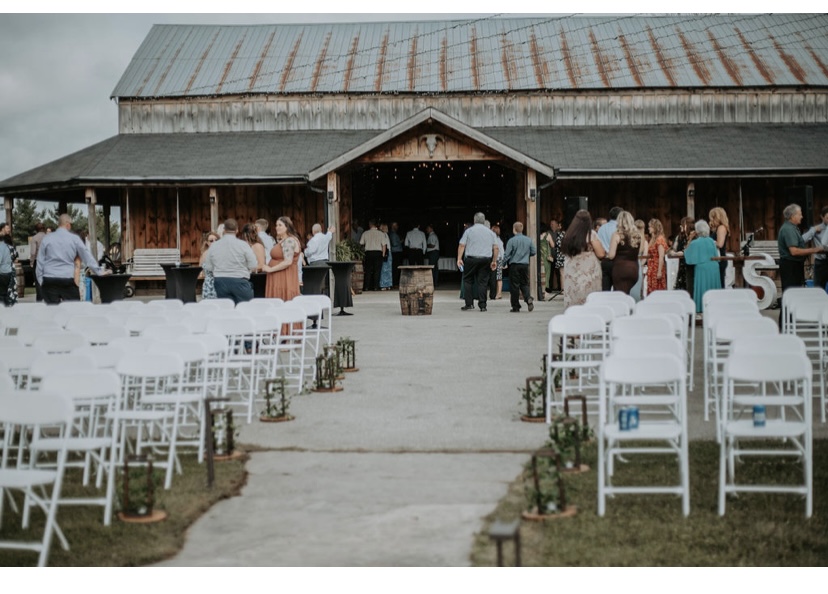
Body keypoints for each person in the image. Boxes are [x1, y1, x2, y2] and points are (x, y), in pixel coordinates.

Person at [35, 214, 109, 304]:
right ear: (68, 224)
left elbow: (40, 261)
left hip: (49, 279)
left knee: (52, 311)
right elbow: (86, 256)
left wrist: (41, 280)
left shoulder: (47, 239)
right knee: (73, 309)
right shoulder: (74, 239)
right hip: (67, 278)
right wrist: (99, 271)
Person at [202, 218, 257, 304]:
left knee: (226, 308)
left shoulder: (214, 246)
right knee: (244, 308)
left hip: (220, 281)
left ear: (224, 230)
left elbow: (209, 267)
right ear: (237, 230)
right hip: (240, 280)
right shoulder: (243, 245)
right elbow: (253, 265)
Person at [778, 203, 825, 302]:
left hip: (795, 265)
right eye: (800, 214)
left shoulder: (793, 228)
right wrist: (815, 250)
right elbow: (794, 251)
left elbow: (801, 241)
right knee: (791, 293)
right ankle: (787, 312)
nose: (802, 216)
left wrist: (812, 231)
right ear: (792, 216)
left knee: (796, 293)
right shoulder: (788, 229)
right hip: (790, 266)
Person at [561, 209, 605, 309]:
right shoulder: (591, 235)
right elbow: (601, 253)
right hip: (588, 270)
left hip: (572, 269)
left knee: (574, 293)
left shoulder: (568, 234)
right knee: (589, 295)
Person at [457, 212, 498, 312]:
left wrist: (459, 258)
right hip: (485, 259)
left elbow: (462, 245)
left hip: (471, 259)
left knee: (468, 280)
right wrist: (494, 261)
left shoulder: (469, 231)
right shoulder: (490, 233)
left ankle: (469, 304)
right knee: (483, 282)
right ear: (484, 221)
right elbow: (496, 248)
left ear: (474, 220)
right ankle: (483, 305)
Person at [684, 220, 723, 313]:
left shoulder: (695, 243)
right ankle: (715, 307)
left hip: (702, 268)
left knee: (702, 288)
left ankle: (701, 308)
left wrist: (690, 239)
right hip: (714, 267)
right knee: (712, 287)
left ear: (697, 231)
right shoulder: (712, 241)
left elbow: (687, 254)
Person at [262, 216, 302, 302]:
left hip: (284, 278)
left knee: (282, 301)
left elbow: (288, 261)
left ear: (287, 227)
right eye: (276, 225)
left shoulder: (289, 240)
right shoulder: (285, 240)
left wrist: (270, 269)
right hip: (279, 277)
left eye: (280, 225)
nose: (277, 227)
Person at [607, 211, 645, 296]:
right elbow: (640, 251)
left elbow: (611, 255)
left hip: (620, 269)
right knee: (629, 294)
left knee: (620, 296)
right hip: (633, 269)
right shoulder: (638, 235)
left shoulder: (616, 235)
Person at [502, 221, 536, 312]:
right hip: (525, 265)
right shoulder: (528, 240)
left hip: (514, 265)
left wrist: (503, 263)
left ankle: (515, 306)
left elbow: (507, 254)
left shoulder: (511, 241)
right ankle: (528, 298)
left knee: (514, 286)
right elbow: (534, 251)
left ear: (514, 229)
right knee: (524, 283)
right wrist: (526, 255)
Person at [801, 206, 828, 292]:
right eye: (827, 218)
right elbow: (802, 240)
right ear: (822, 217)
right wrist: (813, 230)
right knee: (818, 288)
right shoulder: (817, 228)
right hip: (821, 262)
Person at [597, 206, 623, 290]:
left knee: (605, 288)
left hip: (605, 260)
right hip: (618, 260)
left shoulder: (602, 228)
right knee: (618, 289)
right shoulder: (621, 228)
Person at [668, 216, 695, 295]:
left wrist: (683, 252)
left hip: (690, 263)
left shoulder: (694, 236)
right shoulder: (680, 237)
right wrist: (673, 252)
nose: (681, 226)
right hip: (682, 264)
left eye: (683, 224)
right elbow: (673, 248)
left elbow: (691, 249)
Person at [359, 219, 388, 292]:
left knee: (368, 270)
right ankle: (375, 287)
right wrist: (383, 254)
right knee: (377, 270)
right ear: (376, 225)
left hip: (368, 253)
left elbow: (361, 243)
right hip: (378, 253)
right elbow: (384, 245)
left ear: (370, 224)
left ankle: (366, 287)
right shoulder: (381, 234)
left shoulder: (365, 233)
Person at [709, 207, 730, 289]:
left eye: (712, 217)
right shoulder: (717, 228)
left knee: (719, 283)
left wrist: (708, 242)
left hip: (719, 258)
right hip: (716, 258)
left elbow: (720, 244)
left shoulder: (721, 228)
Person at [646, 218, 669, 293]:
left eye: (650, 226)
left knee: (657, 288)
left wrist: (659, 271)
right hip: (651, 266)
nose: (649, 228)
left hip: (657, 266)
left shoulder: (660, 239)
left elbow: (661, 256)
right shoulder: (653, 239)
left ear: (655, 227)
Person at [0, 223, 18, 306]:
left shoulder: (3, 245)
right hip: (9, 271)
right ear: (2, 229)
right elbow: (15, 256)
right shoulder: (8, 246)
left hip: (3, 271)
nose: (9, 230)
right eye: (7, 228)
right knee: (7, 292)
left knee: (2, 294)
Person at [199, 231, 220, 299]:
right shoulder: (205, 254)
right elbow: (200, 269)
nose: (214, 242)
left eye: (216, 240)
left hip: (216, 284)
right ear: (207, 243)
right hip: (210, 284)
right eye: (211, 241)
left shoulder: (220, 253)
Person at [29, 222, 46, 301]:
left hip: (38, 260)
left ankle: (40, 298)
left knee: (37, 280)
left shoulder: (34, 238)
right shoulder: (48, 237)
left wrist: (31, 262)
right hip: (48, 260)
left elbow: (33, 252)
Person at [488, 224, 505, 299]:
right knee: (498, 277)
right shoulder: (499, 240)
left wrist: (503, 261)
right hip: (499, 259)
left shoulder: (496, 241)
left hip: (497, 259)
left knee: (498, 277)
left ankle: (499, 293)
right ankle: (498, 293)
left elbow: (501, 251)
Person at [425, 224, 441, 288]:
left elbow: (432, 245)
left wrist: (425, 244)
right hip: (434, 253)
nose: (427, 230)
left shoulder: (433, 236)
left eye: (428, 228)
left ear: (431, 229)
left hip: (433, 252)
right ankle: (435, 282)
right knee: (435, 268)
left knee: (432, 267)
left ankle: (432, 282)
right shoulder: (431, 236)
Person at [389, 221, 404, 287]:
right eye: (396, 225)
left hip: (396, 252)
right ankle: (395, 282)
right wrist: (401, 241)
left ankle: (396, 282)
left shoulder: (394, 234)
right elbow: (394, 244)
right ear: (393, 226)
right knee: (396, 267)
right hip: (396, 252)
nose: (397, 227)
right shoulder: (393, 235)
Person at [379, 223, 393, 290]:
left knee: (384, 268)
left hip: (385, 252)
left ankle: (384, 284)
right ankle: (388, 284)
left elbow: (384, 245)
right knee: (388, 269)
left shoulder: (383, 235)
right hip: (388, 252)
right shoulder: (386, 235)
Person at [0, 238, 13, 307]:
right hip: (7, 272)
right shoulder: (5, 246)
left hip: (2, 272)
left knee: (1, 295)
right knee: (4, 294)